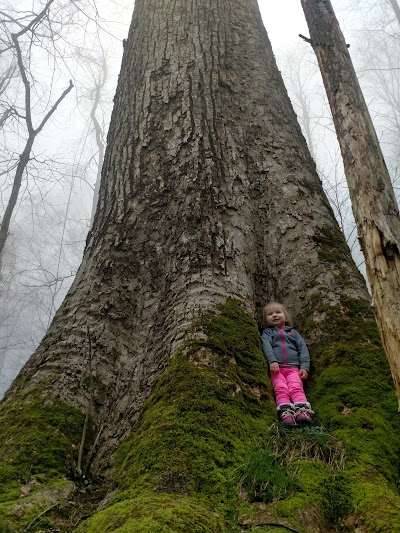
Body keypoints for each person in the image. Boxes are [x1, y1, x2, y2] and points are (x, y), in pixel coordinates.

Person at [261, 302, 314, 427]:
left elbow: (303, 350)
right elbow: (267, 347)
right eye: (270, 314)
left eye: (278, 312)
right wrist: (272, 360)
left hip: (294, 369)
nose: (274, 315)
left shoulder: (293, 333)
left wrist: (304, 367)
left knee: (296, 387)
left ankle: (302, 411)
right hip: (277, 369)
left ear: (286, 316)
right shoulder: (267, 333)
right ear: (266, 319)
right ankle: (286, 413)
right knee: (280, 389)